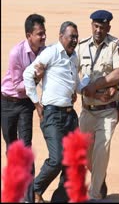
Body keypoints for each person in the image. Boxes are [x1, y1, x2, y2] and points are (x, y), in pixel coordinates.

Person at [23, 21, 80, 203]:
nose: (74, 40)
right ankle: (35, 191)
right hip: (52, 114)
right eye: (71, 36)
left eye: (76, 37)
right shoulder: (51, 52)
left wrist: (94, 87)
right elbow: (27, 75)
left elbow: (76, 84)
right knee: (57, 159)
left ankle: (59, 199)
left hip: (71, 116)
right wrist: (36, 103)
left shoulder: (74, 57)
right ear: (61, 36)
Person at [76, 9, 119, 200]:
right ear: (92, 26)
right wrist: (86, 90)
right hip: (87, 111)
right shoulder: (81, 47)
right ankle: (100, 178)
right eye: (96, 26)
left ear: (108, 28)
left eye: (102, 27)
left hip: (107, 112)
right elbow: (74, 77)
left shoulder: (115, 44)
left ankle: (95, 195)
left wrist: (97, 85)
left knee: (101, 152)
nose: (98, 30)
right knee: (88, 157)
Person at [1, 13, 46, 203]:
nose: (43, 37)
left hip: (26, 103)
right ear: (29, 35)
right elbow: (18, 84)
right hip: (7, 102)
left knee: (25, 148)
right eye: (39, 34)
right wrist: (35, 79)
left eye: (44, 33)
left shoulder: (45, 51)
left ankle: (28, 199)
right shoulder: (16, 53)